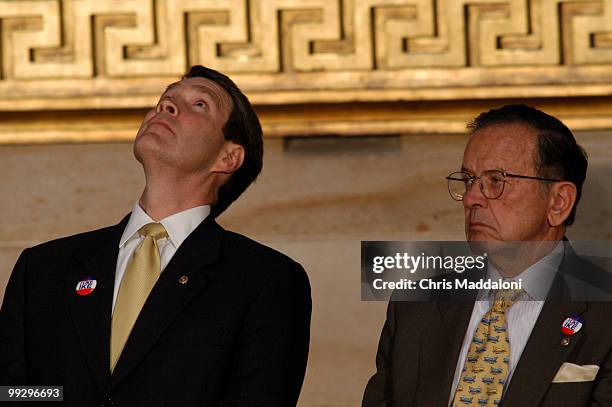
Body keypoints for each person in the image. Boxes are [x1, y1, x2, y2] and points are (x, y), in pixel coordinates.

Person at [0, 65, 311, 407]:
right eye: (166, 99)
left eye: (199, 104)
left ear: (229, 157)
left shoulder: (266, 280)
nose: (167, 106)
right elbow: (15, 394)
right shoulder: (43, 269)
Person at [362, 104, 612, 406]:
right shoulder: (417, 307)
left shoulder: (603, 312)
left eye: (496, 181)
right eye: (468, 180)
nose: (471, 198)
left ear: (559, 202)